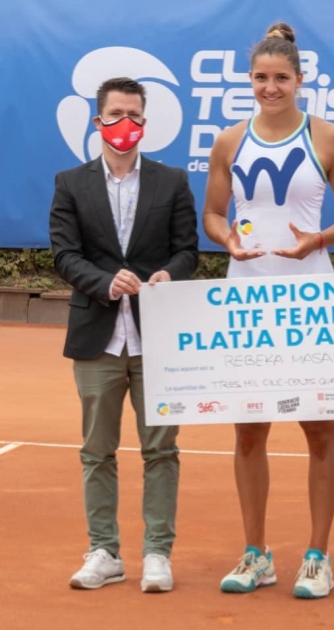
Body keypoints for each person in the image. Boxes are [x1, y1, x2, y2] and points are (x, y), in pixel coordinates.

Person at [202, 22, 334, 599]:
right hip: (246, 298)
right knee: (249, 432)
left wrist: (314, 241)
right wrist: (228, 242)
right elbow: (215, 215)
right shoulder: (228, 141)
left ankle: (317, 556)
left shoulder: (328, 137)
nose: (270, 88)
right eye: (260, 78)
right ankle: (256, 554)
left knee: (320, 430)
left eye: (281, 79)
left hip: (308, 300)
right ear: (250, 80)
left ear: (301, 79)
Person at [49, 77, 199, 592]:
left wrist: (168, 276)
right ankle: (104, 551)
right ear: (98, 122)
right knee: (97, 451)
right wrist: (104, 283)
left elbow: (188, 250)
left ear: (145, 123)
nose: (124, 125)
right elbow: (64, 255)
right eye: (115, 115)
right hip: (97, 337)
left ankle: (157, 553)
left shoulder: (172, 181)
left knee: (161, 449)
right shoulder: (70, 183)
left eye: (134, 115)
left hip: (158, 338)